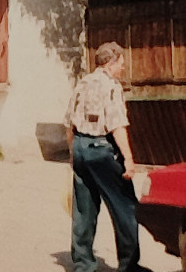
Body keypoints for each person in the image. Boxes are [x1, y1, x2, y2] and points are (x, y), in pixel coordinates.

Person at [64, 42, 151, 272]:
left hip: (81, 146)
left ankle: (83, 265)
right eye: (122, 63)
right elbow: (117, 125)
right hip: (102, 149)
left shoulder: (82, 83)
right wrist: (129, 159)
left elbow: (69, 122)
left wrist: (74, 154)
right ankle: (129, 266)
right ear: (111, 63)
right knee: (125, 207)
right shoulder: (111, 86)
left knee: (84, 208)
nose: (123, 68)